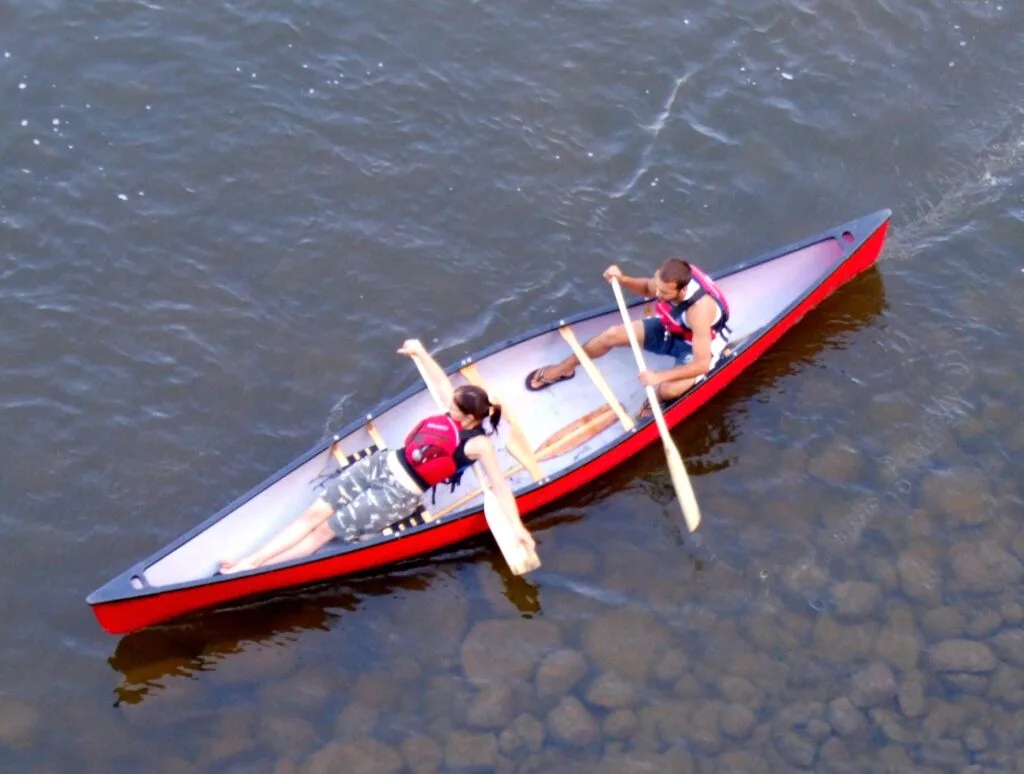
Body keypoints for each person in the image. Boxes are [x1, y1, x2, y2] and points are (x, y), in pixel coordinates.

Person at [219, 339, 536, 573]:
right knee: (311, 515)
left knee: (322, 532)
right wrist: (420, 352)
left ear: (469, 418)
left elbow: (499, 487)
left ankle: (250, 572)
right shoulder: (454, 411)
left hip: (398, 495)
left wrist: (518, 527)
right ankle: (251, 560)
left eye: (454, 409)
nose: (447, 409)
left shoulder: (477, 445)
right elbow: (440, 382)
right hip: (381, 463)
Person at [524, 259, 730, 418]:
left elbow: (701, 364)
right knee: (611, 335)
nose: (657, 294)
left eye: (664, 293)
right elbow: (646, 288)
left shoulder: (699, 312)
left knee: (668, 389)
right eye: (657, 287)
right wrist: (622, 280)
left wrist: (658, 377)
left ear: (682, 290)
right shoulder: (667, 281)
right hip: (672, 329)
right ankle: (564, 368)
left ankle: (657, 398)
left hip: (693, 348)